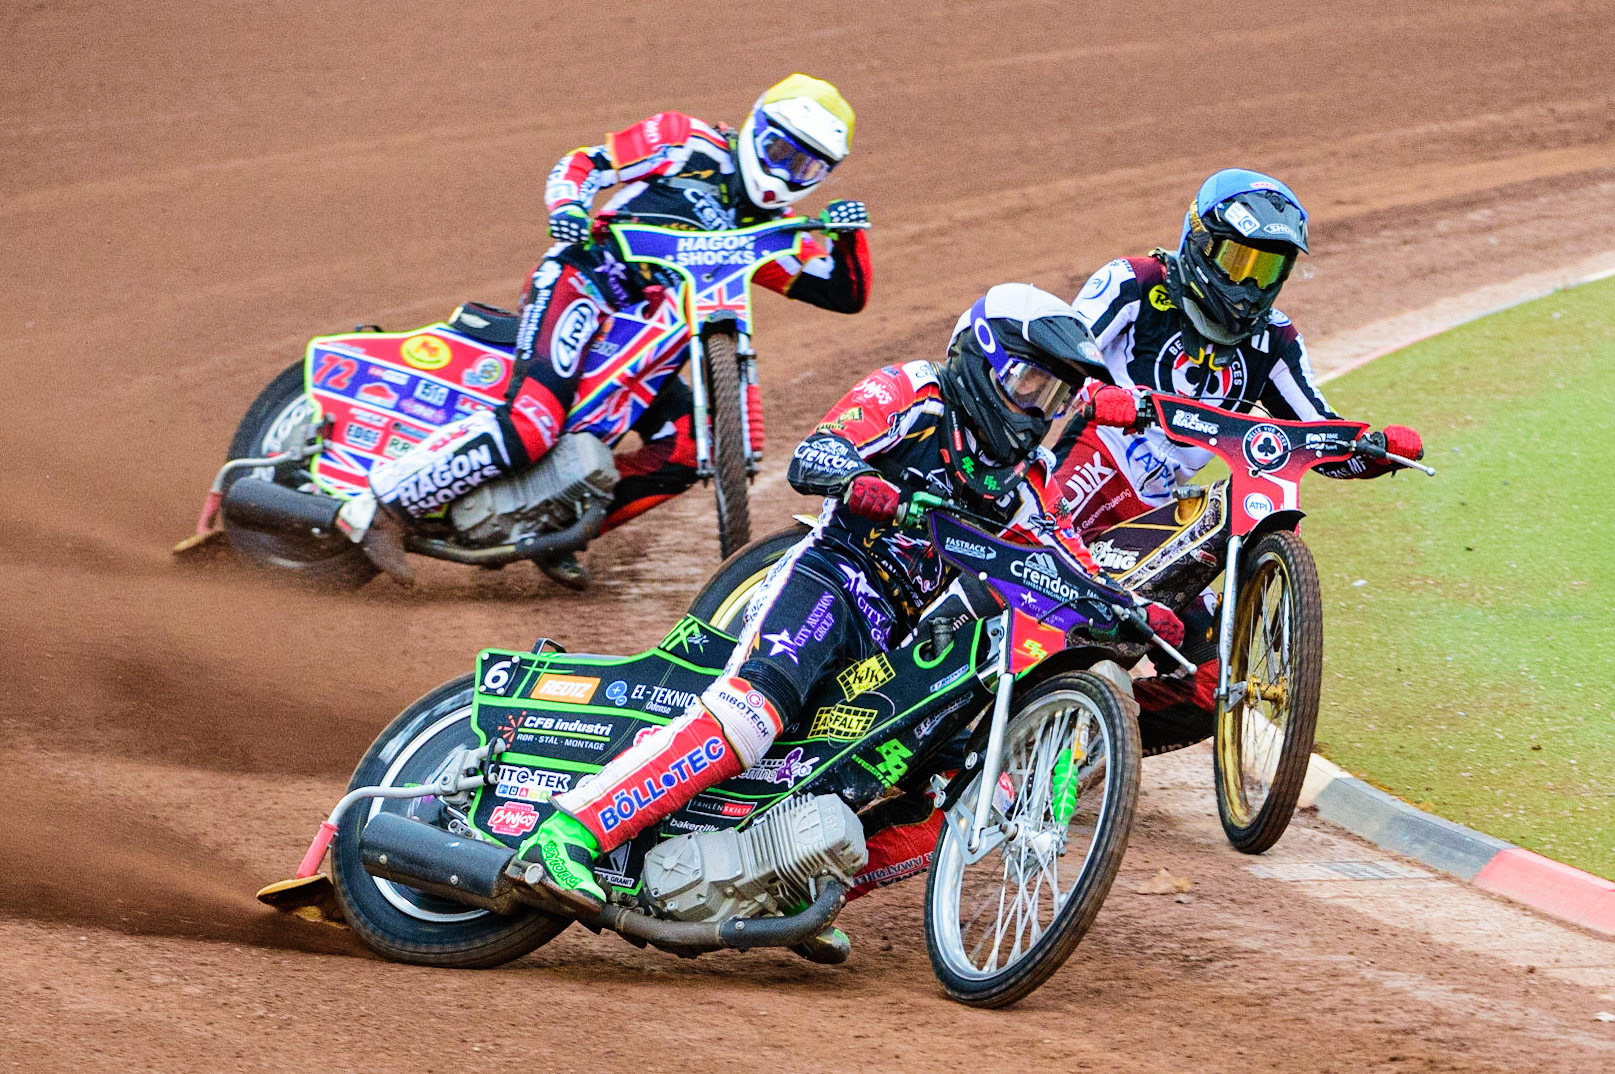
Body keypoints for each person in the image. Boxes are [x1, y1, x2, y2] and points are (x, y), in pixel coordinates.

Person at [521, 283, 1184, 919]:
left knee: (940, 796)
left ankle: (792, 895)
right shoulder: (914, 393)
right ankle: (567, 834)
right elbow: (815, 454)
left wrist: (1130, 609)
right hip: (831, 581)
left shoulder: (1025, 480)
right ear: (983, 358)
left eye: (1056, 395)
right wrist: (862, 479)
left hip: (894, 641)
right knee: (750, 718)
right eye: (1030, 382)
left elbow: (1064, 558)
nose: (1038, 409)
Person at [336, 74, 873, 585]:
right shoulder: (687, 141)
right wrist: (568, 206)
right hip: (585, 282)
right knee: (533, 423)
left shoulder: (772, 229)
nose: (784, 173)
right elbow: (586, 163)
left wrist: (848, 235)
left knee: (692, 446)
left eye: (806, 166)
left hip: (651, 342)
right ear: (756, 126)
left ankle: (556, 529)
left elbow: (843, 293)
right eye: (779, 151)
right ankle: (383, 506)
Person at [1049, 167, 1426, 753]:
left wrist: (1372, 452)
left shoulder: (1275, 339)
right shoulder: (1133, 282)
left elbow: (1317, 435)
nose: (1250, 286)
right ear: (1200, 242)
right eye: (1238, 261)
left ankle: (1089, 747)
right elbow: (1059, 358)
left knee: (1216, 685)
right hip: (1086, 469)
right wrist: (1097, 394)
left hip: (1164, 516)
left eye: (1268, 269)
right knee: (1038, 605)